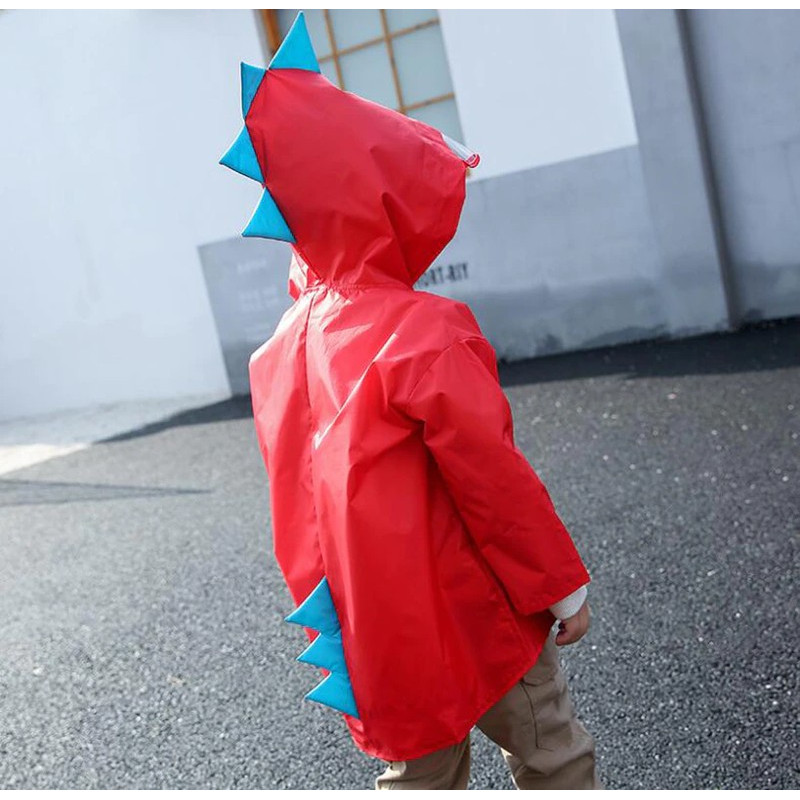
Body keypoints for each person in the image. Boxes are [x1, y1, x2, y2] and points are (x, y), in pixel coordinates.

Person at [220, 12, 601, 790]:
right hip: (475, 613)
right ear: (390, 201)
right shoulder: (423, 332)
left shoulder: (279, 355)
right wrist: (561, 587)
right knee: (551, 754)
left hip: (376, 636)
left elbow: (298, 513)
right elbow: (493, 480)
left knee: (419, 779)